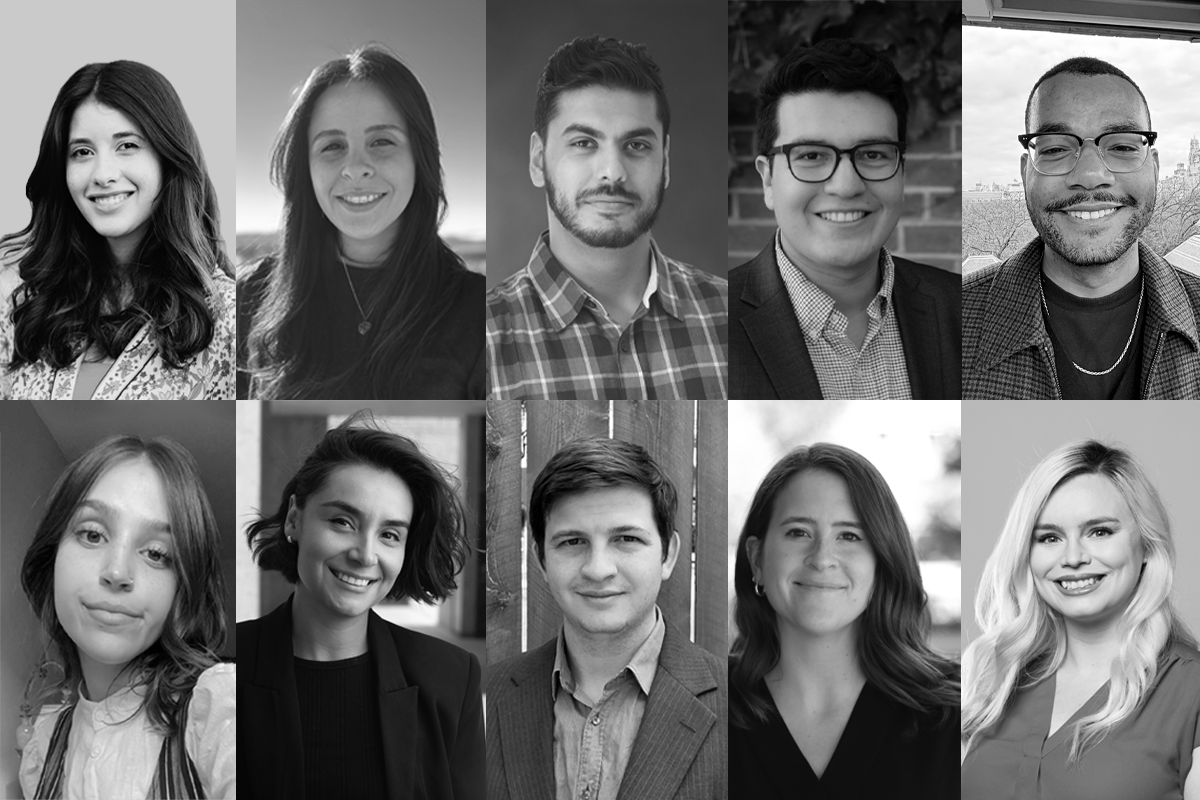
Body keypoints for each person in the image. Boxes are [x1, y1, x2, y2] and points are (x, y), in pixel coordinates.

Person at [238, 414, 484, 800]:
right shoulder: (224, 663)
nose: (365, 555)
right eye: (342, 521)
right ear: (293, 519)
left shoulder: (453, 676)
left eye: (389, 534)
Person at [486, 36, 728, 400]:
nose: (613, 172)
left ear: (665, 163)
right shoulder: (483, 339)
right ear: (539, 161)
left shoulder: (727, 314)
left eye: (637, 145)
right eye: (584, 143)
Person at [238, 45, 484, 399]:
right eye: (332, 146)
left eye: (382, 141)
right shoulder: (249, 296)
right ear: (305, 169)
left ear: (420, 157)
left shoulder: (477, 313)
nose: (355, 167)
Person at [486, 437, 727, 799]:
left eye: (626, 539)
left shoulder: (742, 705)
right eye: (572, 542)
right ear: (541, 560)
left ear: (668, 555)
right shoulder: (480, 699)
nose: (598, 569)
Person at [962, 440, 1200, 799]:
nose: (1073, 557)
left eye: (1100, 531)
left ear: (1147, 546)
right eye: (1050, 537)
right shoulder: (990, 676)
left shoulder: (1191, 690)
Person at [730, 39, 961, 400]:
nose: (846, 185)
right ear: (768, 179)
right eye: (811, 156)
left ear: (901, 173)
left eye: (872, 154)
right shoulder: (710, 325)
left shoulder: (961, 309)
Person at [729, 443, 959, 799]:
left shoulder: (957, 710)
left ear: (882, 561)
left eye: (849, 536)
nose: (822, 559)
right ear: (757, 559)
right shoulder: (706, 704)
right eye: (798, 532)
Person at [963, 57, 1200, 399]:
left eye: (1121, 146)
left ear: (1154, 168)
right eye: (1057, 149)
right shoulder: (944, 326)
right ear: (1025, 172)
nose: (1090, 175)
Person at [0, 61, 235, 400]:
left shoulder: (225, 316)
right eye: (82, 152)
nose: (102, 174)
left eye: (127, 145)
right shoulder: (21, 305)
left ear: (167, 157)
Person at [17, 435, 233, 799]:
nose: (117, 572)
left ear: (181, 588)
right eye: (92, 534)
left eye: (156, 553)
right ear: (51, 556)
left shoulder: (218, 709)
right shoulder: (40, 745)